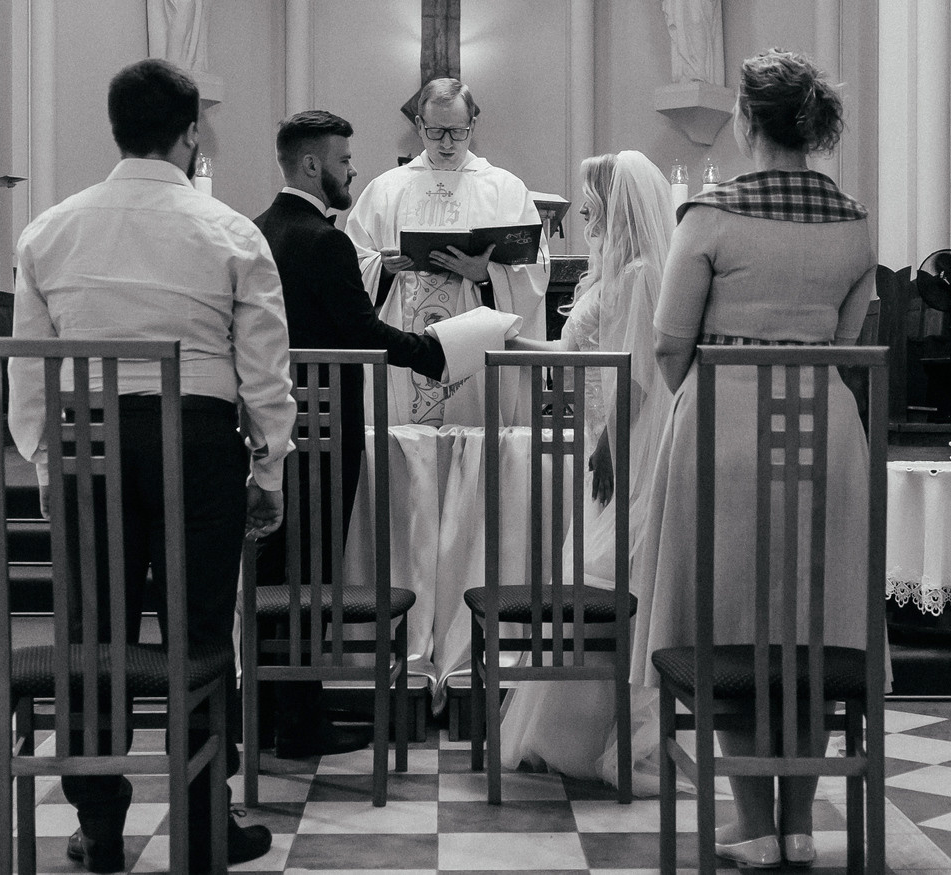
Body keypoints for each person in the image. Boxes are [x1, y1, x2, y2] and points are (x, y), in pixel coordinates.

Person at [7, 59, 290, 873]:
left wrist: (45, 468)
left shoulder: (49, 230)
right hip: (198, 447)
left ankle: (100, 827)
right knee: (201, 629)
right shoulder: (231, 231)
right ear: (191, 129)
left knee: (93, 635)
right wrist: (267, 468)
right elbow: (263, 368)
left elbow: (31, 372)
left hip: (84, 447)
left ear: (115, 128)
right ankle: (205, 819)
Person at [638, 51, 875, 869]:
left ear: (746, 119)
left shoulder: (711, 215)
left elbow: (670, 343)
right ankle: (803, 821)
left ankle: (753, 821)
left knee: (729, 621)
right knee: (806, 625)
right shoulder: (853, 220)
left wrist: (708, 381)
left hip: (724, 434)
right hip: (827, 437)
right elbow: (847, 347)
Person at [250, 108, 449, 760]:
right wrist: (434, 350)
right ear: (311, 164)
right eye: (342, 159)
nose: (352, 169)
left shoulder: (254, 232)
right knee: (311, 576)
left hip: (267, 427)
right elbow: (365, 334)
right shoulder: (324, 240)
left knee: (277, 574)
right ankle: (303, 724)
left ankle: (274, 716)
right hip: (325, 428)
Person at [495, 149, 678, 793]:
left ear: (620, 205)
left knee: (613, 582)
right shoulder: (608, 278)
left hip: (623, 452)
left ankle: (620, 739)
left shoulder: (640, 273)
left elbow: (633, 374)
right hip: (602, 446)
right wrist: (499, 342)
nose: (588, 217)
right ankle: (570, 736)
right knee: (585, 582)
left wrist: (606, 448)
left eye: (595, 206)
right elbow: (572, 352)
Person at [343, 78, 550, 427]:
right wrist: (384, 268)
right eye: (437, 132)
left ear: (473, 126)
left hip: (476, 351)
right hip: (403, 347)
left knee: (476, 444)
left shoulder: (505, 188)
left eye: (458, 131)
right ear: (419, 127)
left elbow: (536, 266)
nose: (448, 143)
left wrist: (486, 274)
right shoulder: (386, 189)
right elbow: (351, 265)